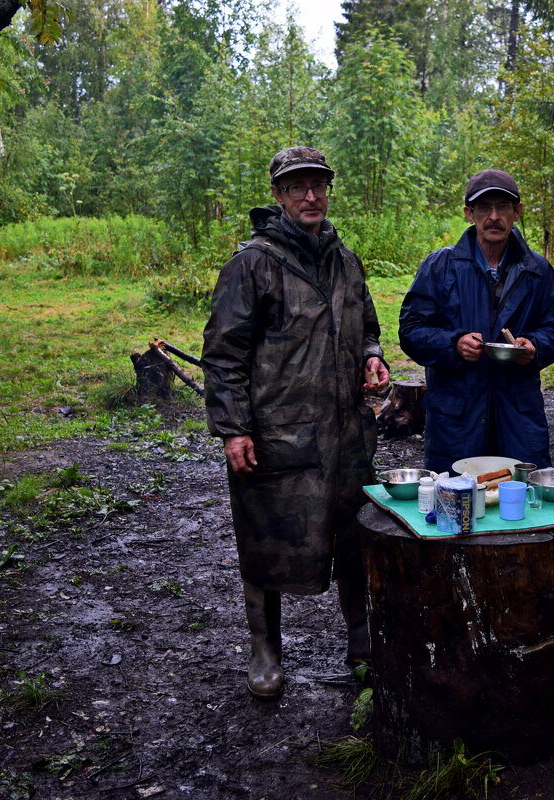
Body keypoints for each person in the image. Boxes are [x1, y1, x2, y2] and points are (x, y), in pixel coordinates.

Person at [201, 146, 390, 700]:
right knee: (267, 542)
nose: (310, 196)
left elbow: (369, 327)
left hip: (347, 434)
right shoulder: (251, 264)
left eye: (318, 185)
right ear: (279, 196)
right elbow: (224, 354)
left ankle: (362, 639)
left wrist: (373, 358)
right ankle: (265, 650)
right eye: (297, 187)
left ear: (328, 190)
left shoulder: (346, 260)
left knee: (356, 536)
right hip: (279, 438)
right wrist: (234, 428)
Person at [399, 169, 554, 475]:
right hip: (456, 417)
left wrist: (535, 347)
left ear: (517, 212)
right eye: (483, 208)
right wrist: (453, 344)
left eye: (502, 207)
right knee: (457, 505)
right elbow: (411, 331)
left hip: (518, 412)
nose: (493, 217)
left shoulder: (537, 271)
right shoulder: (441, 266)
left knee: (523, 502)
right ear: (468, 213)